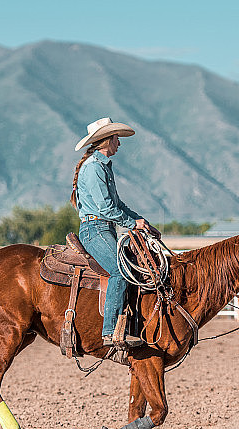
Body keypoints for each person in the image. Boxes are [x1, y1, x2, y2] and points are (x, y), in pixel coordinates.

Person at [71, 117, 161, 347]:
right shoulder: (94, 167)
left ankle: (129, 324)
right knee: (120, 271)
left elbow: (118, 205)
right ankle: (111, 331)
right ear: (107, 140)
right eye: (116, 139)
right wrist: (132, 224)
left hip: (103, 227)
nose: (119, 144)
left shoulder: (101, 166)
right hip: (94, 229)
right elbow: (106, 208)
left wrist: (141, 221)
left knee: (134, 267)